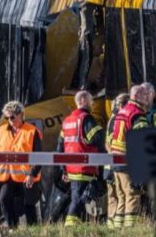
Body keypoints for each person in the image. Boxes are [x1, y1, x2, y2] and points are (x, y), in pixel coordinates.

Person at [0, 101, 43, 228]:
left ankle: (33, 233)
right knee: (4, 198)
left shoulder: (32, 131)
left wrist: (32, 174)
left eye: (12, 117)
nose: (9, 120)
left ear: (21, 115)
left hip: (27, 177)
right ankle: (12, 228)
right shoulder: (0, 131)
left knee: (29, 205)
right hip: (6, 176)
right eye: (7, 117)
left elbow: (39, 157)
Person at [57, 91, 105, 226]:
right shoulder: (86, 119)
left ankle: (78, 225)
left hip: (71, 168)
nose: (93, 103)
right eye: (91, 100)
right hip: (85, 167)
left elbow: (60, 147)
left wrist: (63, 169)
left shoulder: (67, 121)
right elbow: (98, 138)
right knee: (79, 199)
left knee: (79, 197)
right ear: (83, 100)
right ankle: (70, 225)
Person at [108, 85, 150, 227]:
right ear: (138, 96)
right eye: (145, 95)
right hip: (128, 160)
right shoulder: (137, 114)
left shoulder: (122, 111)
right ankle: (131, 228)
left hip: (116, 160)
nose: (148, 98)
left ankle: (118, 226)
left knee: (121, 196)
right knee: (133, 194)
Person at [105, 93, 129, 228]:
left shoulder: (112, 119)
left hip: (110, 164)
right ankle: (117, 224)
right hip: (116, 163)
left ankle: (112, 224)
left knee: (113, 196)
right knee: (120, 194)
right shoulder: (119, 119)